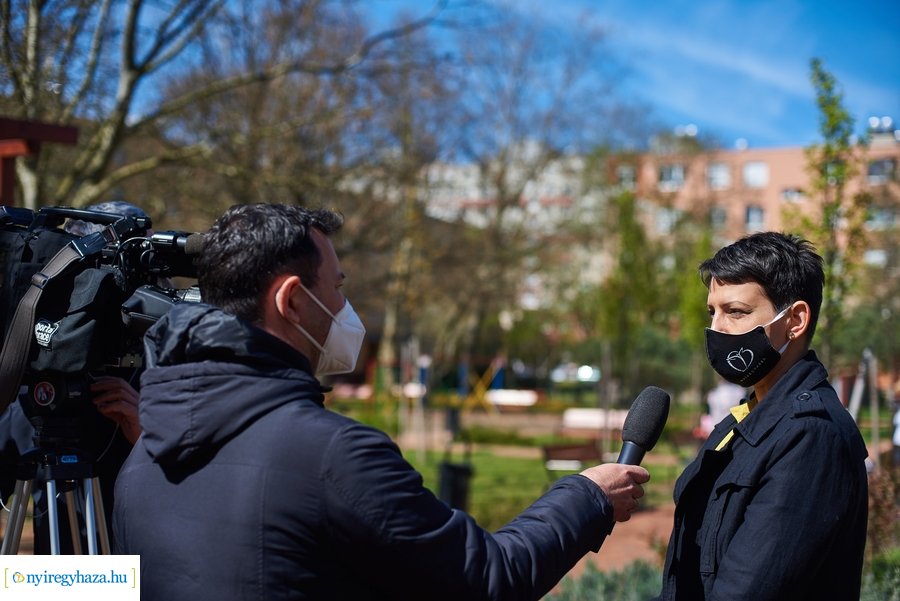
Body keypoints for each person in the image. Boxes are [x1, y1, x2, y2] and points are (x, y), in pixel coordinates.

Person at [113, 203, 650, 601]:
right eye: (338, 286)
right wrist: (588, 497)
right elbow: (488, 581)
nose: (346, 306)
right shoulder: (332, 454)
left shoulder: (142, 450)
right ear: (294, 300)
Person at [655, 232, 868, 600]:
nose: (716, 328)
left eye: (735, 312)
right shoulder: (744, 417)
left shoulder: (811, 436)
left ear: (795, 320)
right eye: (713, 312)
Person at [0, 200, 145, 553]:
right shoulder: (31, 391)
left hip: (133, 567)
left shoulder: (154, 368)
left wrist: (146, 434)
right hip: (56, 577)